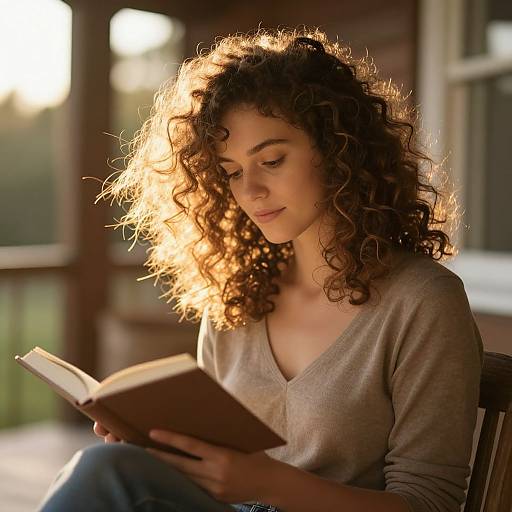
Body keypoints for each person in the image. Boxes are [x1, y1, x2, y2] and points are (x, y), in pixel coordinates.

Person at [37, 26, 483, 512]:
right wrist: (158, 451)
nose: (249, 190)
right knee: (112, 469)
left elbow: (431, 504)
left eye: (270, 160)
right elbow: (217, 472)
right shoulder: (236, 299)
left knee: (104, 478)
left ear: (339, 150)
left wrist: (270, 484)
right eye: (230, 172)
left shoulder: (422, 301)